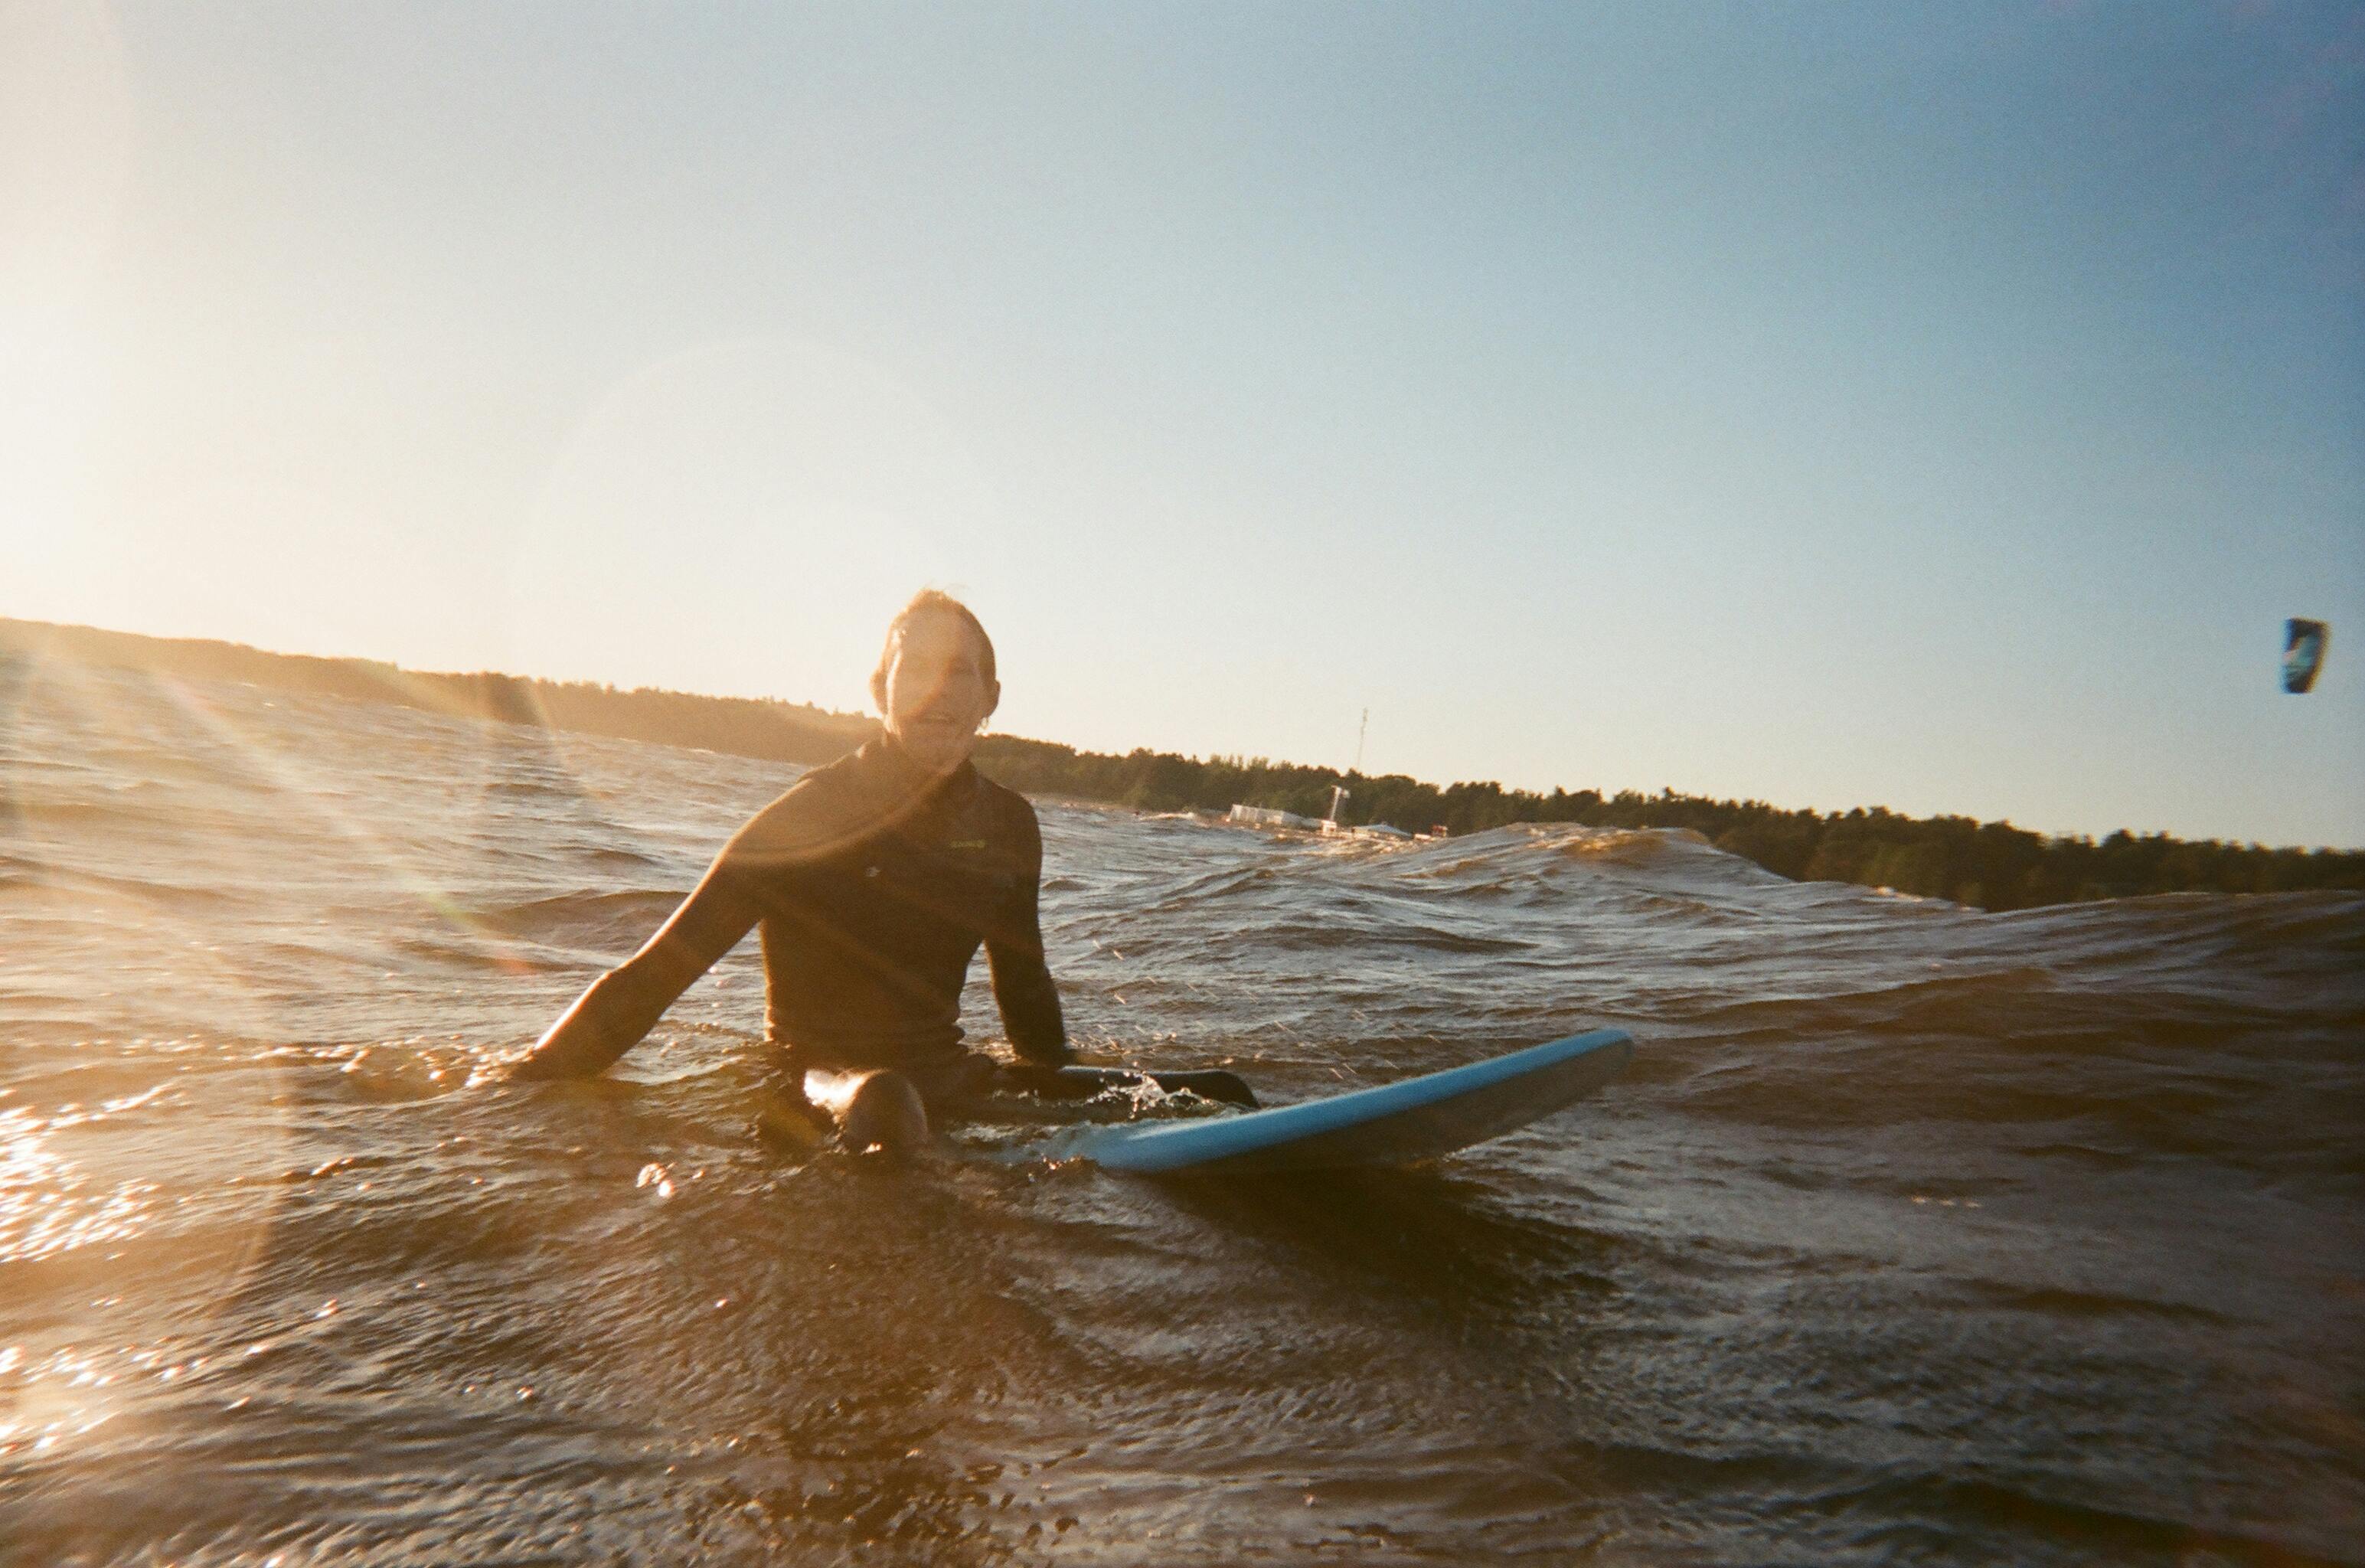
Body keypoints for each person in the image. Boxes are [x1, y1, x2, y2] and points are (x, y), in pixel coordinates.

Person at [508, 590, 1071, 1152]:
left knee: (1157, 1090)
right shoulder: (810, 816)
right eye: (918, 668)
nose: (937, 690)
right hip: (819, 1084)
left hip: (944, 1075)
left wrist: (1064, 1092)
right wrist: (520, 1086)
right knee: (888, 1103)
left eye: (958, 672)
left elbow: (1024, 991)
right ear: (880, 690)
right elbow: (655, 975)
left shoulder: (1007, 823)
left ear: (990, 697)